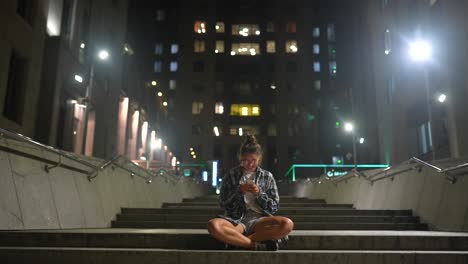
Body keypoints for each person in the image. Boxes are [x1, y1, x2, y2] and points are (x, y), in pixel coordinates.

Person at [207, 135, 294, 251]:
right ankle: (253, 244)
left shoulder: (267, 176)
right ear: (240, 158)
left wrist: (259, 194)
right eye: (245, 160)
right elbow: (223, 203)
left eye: (253, 160)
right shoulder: (231, 174)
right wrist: (239, 192)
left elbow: (274, 207)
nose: (249, 164)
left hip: (260, 220)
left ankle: (238, 241)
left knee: (287, 224)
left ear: (259, 159)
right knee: (213, 225)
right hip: (236, 220)